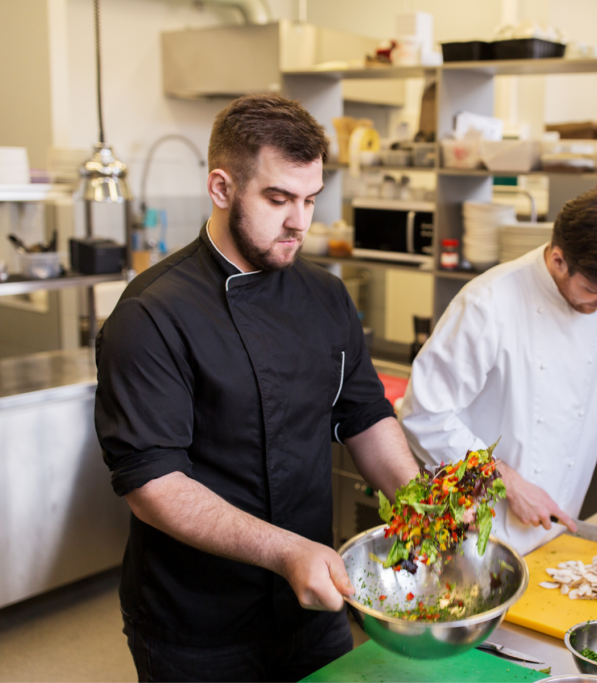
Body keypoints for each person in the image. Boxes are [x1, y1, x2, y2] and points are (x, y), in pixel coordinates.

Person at [95, 93, 420, 682]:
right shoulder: (152, 314)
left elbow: (365, 414)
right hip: (197, 626)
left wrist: (418, 502)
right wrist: (287, 551)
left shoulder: (326, 295)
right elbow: (152, 483)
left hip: (314, 608)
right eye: (278, 198)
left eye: (311, 199)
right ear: (221, 188)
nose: (300, 221)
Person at [399, 186, 597, 556]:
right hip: (480, 528)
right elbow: (423, 413)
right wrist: (510, 484)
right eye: (595, 290)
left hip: (557, 527)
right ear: (560, 260)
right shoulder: (488, 304)